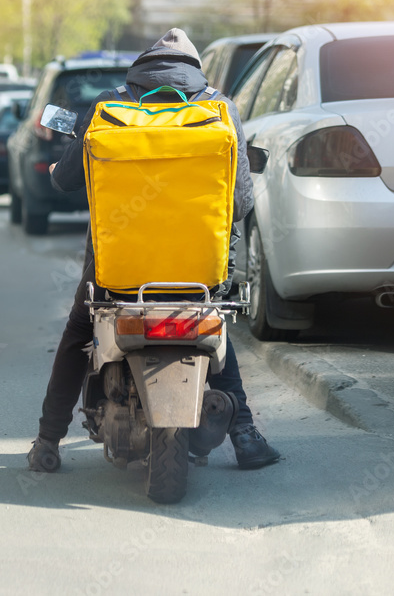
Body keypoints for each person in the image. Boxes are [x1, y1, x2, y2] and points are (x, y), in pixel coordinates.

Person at [27, 29, 280, 473]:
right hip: (199, 271)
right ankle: (245, 437)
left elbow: (66, 180)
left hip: (116, 274)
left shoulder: (110, 104)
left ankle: (48, 442)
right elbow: (240, 203)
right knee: (211, 322)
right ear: (194, 69)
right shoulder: (221, 108)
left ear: (143, 66)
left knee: (77, 334)